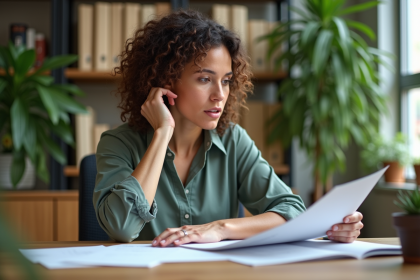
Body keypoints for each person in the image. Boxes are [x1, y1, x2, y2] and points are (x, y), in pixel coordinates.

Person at [93, 10, 364, 245]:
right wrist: (162, 133)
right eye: (204, 79)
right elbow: (122, 228)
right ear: (166, 81)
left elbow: (290, 210)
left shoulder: (233, 139)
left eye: (225, 80)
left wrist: (220, 229)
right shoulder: (118, 143)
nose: (219, 95)